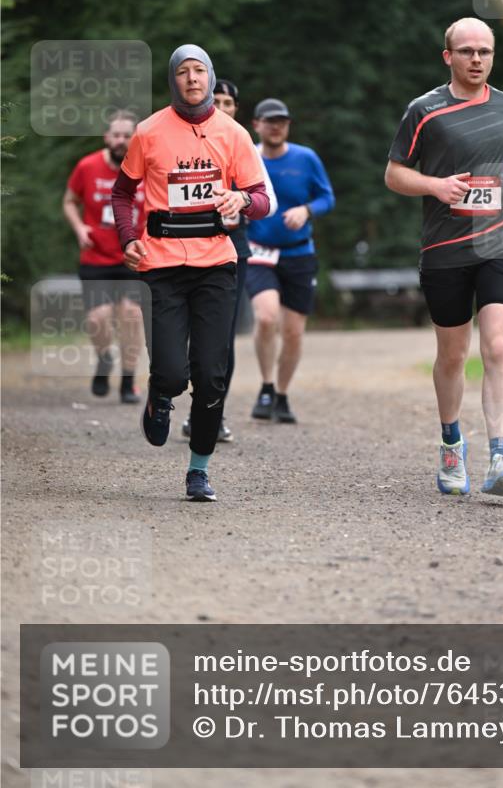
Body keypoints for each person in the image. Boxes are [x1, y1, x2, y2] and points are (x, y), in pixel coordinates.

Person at [385, 17, 503, 497]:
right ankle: (452, 447)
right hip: (444, 249)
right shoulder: (424, 111)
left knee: (496, 345)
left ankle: (500, 456)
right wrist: (435, 185)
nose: (477, 59)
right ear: (447, 56)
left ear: (494, 56)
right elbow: (393, 174)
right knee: (452, 355)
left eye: (485, 52)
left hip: (500, 244)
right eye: (468, 51)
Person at [111, 45, 270, 502]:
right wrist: (128, 239)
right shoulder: (149, 132)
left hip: (216, 264)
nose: (192, 78)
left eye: (200, 70)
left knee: (210, 373)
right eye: (183, 71)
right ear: (173, 81)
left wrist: (241, 201)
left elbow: (261, 198)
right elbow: (123, 195)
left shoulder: (233, 132)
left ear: (210, 77)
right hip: (161, 265)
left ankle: (198, 470)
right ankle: (159, 395)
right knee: (172, 372)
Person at [181, 78, 277, 442]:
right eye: (214, 100)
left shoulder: (240, 144)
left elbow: (269, 200)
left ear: (237, 109)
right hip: (181, 247)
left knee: (220, 339)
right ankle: (169, 389)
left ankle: (210, 413)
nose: (221, 107)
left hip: (230, 250)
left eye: (228, 102)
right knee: (185, 335)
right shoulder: (181, 138)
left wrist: (241, 200)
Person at [245, 97, 335, 424]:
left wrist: (306, 210)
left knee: (294, 331)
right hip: (259, 252)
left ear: (288, 125)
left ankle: (281, 394)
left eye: (281, 121)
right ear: (257, 124)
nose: (276, 126)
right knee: (267, 317)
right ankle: (266, 385)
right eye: (269, 121)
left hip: (299, 252)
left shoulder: (305, 158)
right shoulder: (247, 158)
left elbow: (327, 197)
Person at [63, 111, 145, 403]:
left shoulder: (145, 168)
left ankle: (128, 380)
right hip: (96, 256)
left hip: (133, 257)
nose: (122, 140)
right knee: (98, 319)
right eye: (117, 135)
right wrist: (79, 227)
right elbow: (69, 201)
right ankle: (104, 359)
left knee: (132, 315)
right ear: (106, 137)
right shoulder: (88, 166)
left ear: (136, 138)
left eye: (127, 135)